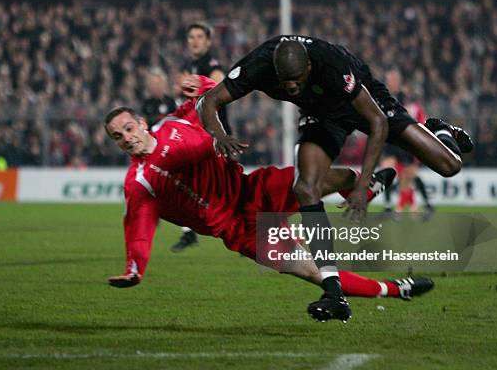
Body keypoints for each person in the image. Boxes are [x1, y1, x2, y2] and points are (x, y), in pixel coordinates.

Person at [105, 75, 433, 322]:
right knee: (317, 272)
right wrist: (135, 268)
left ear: (142, 123)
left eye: (129, 129)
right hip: (239, 229)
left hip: (252, 190)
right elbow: (139, 226)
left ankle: (363, 186)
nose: (127, 138)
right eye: (119, 137)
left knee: (325, 177)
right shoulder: (139, 182)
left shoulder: (176, 122)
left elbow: (216, 94)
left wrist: (202, 82)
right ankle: (396, 289)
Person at [196, 35, 472, 321]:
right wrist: (219, 135)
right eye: (285, 81)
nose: (290, 87)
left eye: (296, 80)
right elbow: (208, 102)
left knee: (449, 165)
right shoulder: (259, 65)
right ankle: (333, 293)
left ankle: (438, 130)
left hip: (365, 104)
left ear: (309, 67)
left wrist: (363, 185)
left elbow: (377, 123)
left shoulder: (332, 65)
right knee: (304, 188)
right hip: (321, 115)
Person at [172, 22, 232, 252]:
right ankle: (189, 231)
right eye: (191, 37)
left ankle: (266, 228)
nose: (195, 41)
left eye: (199, 37)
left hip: (215, 136)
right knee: (185, 180)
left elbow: (219, 87)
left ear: (208, 41)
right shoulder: (190, 65)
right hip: (198, 136)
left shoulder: (212, 64)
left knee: (232, 191)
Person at [379, 69, 434, 220]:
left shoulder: (405, 98)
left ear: (398, 81)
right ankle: (389, 207)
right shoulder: (382, 94)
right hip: (391, 140)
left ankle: (428, 204)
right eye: (390, 79)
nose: (392, 82)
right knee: (387, 170)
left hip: (404, 140)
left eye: (394, 79)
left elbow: (412, 115)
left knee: (409, 175)